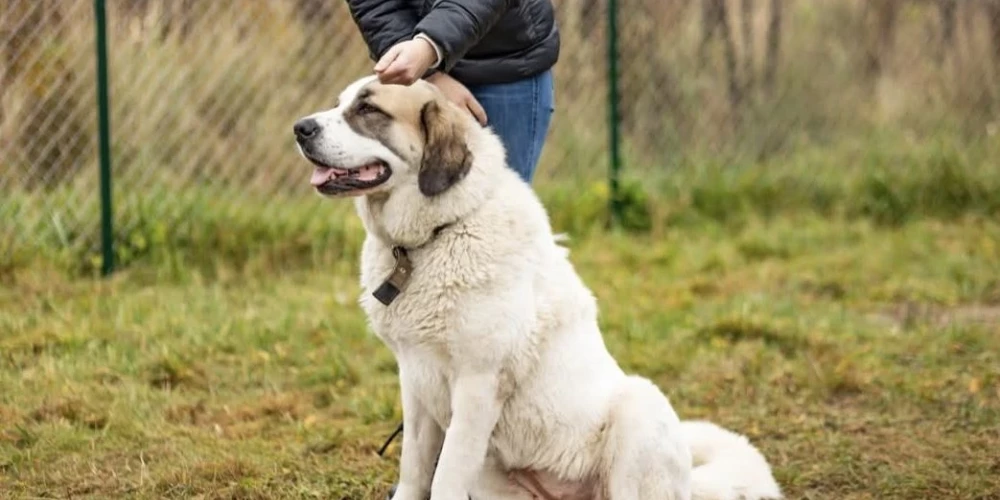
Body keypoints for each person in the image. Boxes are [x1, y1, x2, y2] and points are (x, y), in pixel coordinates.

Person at [345, 0, 560, 184]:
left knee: (494, 214)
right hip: (415, 59)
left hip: (500, 65)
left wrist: (429, 47)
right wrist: (428, 74)